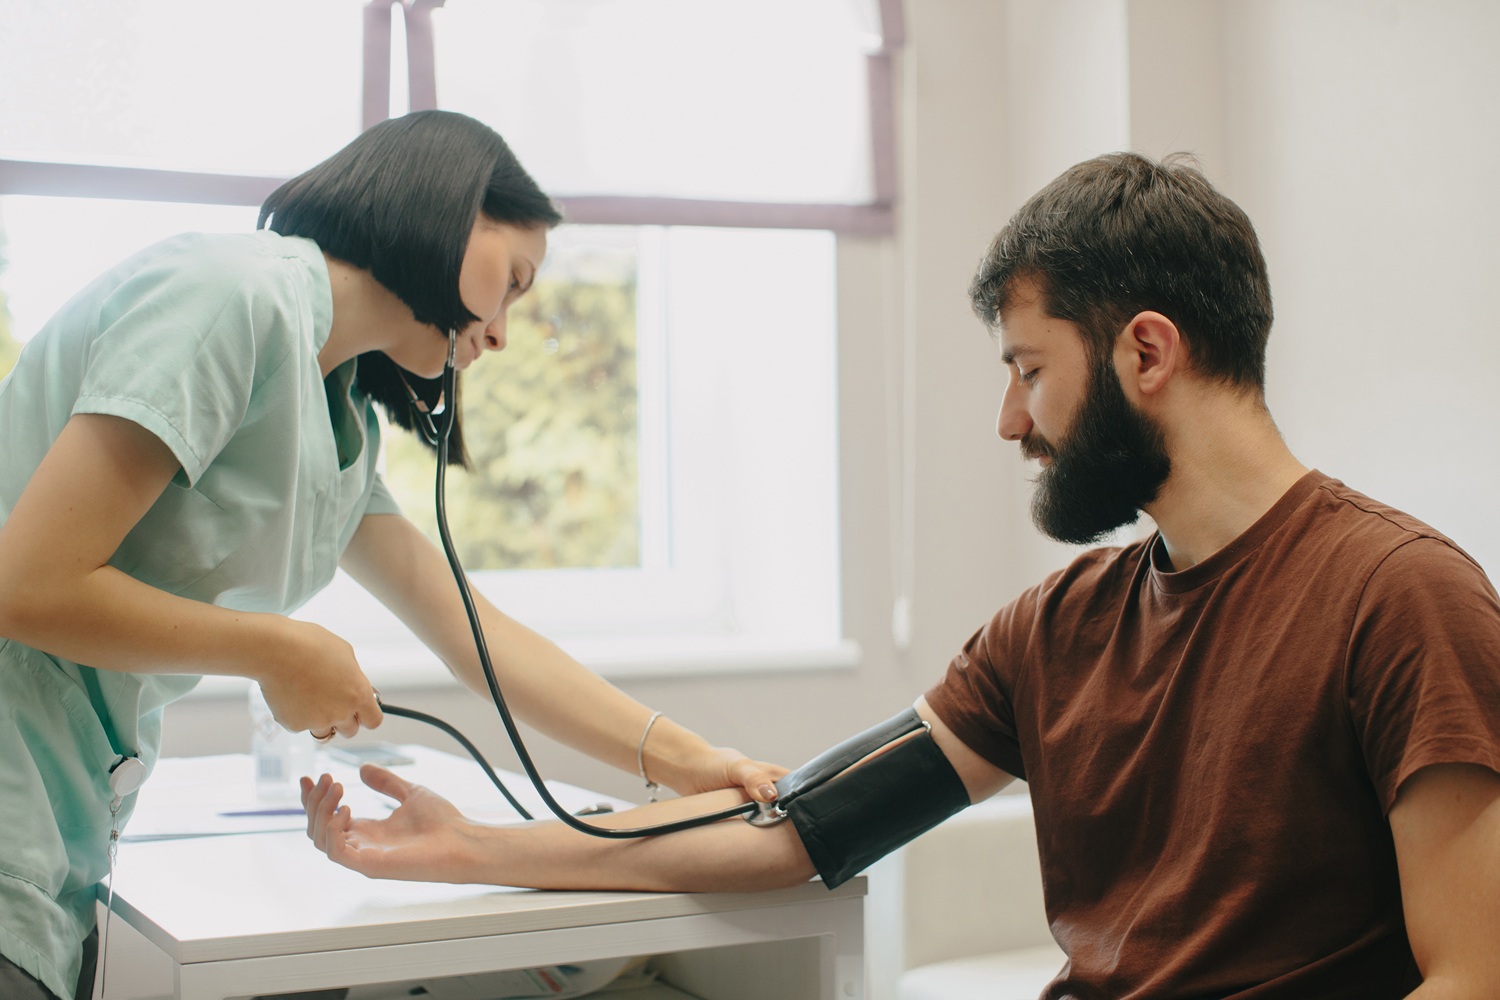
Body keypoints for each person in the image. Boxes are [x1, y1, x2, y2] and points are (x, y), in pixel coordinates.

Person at [300, 152, 1500, 998]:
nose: (1007, 419)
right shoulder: (1059, 629)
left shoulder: (1403, 601)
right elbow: (802, 825)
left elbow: (1475, 976)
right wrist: (478, 847)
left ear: (1146, 350)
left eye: (1028, 370)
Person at [0, 110, 784, 1000]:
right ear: (451, 206)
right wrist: (280, 649)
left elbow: (475, 635)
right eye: (514, 281)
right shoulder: (229, 295)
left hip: (52, 841)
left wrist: (684, 759)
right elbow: (27, 586)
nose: (501, 333)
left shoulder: (339, 422)